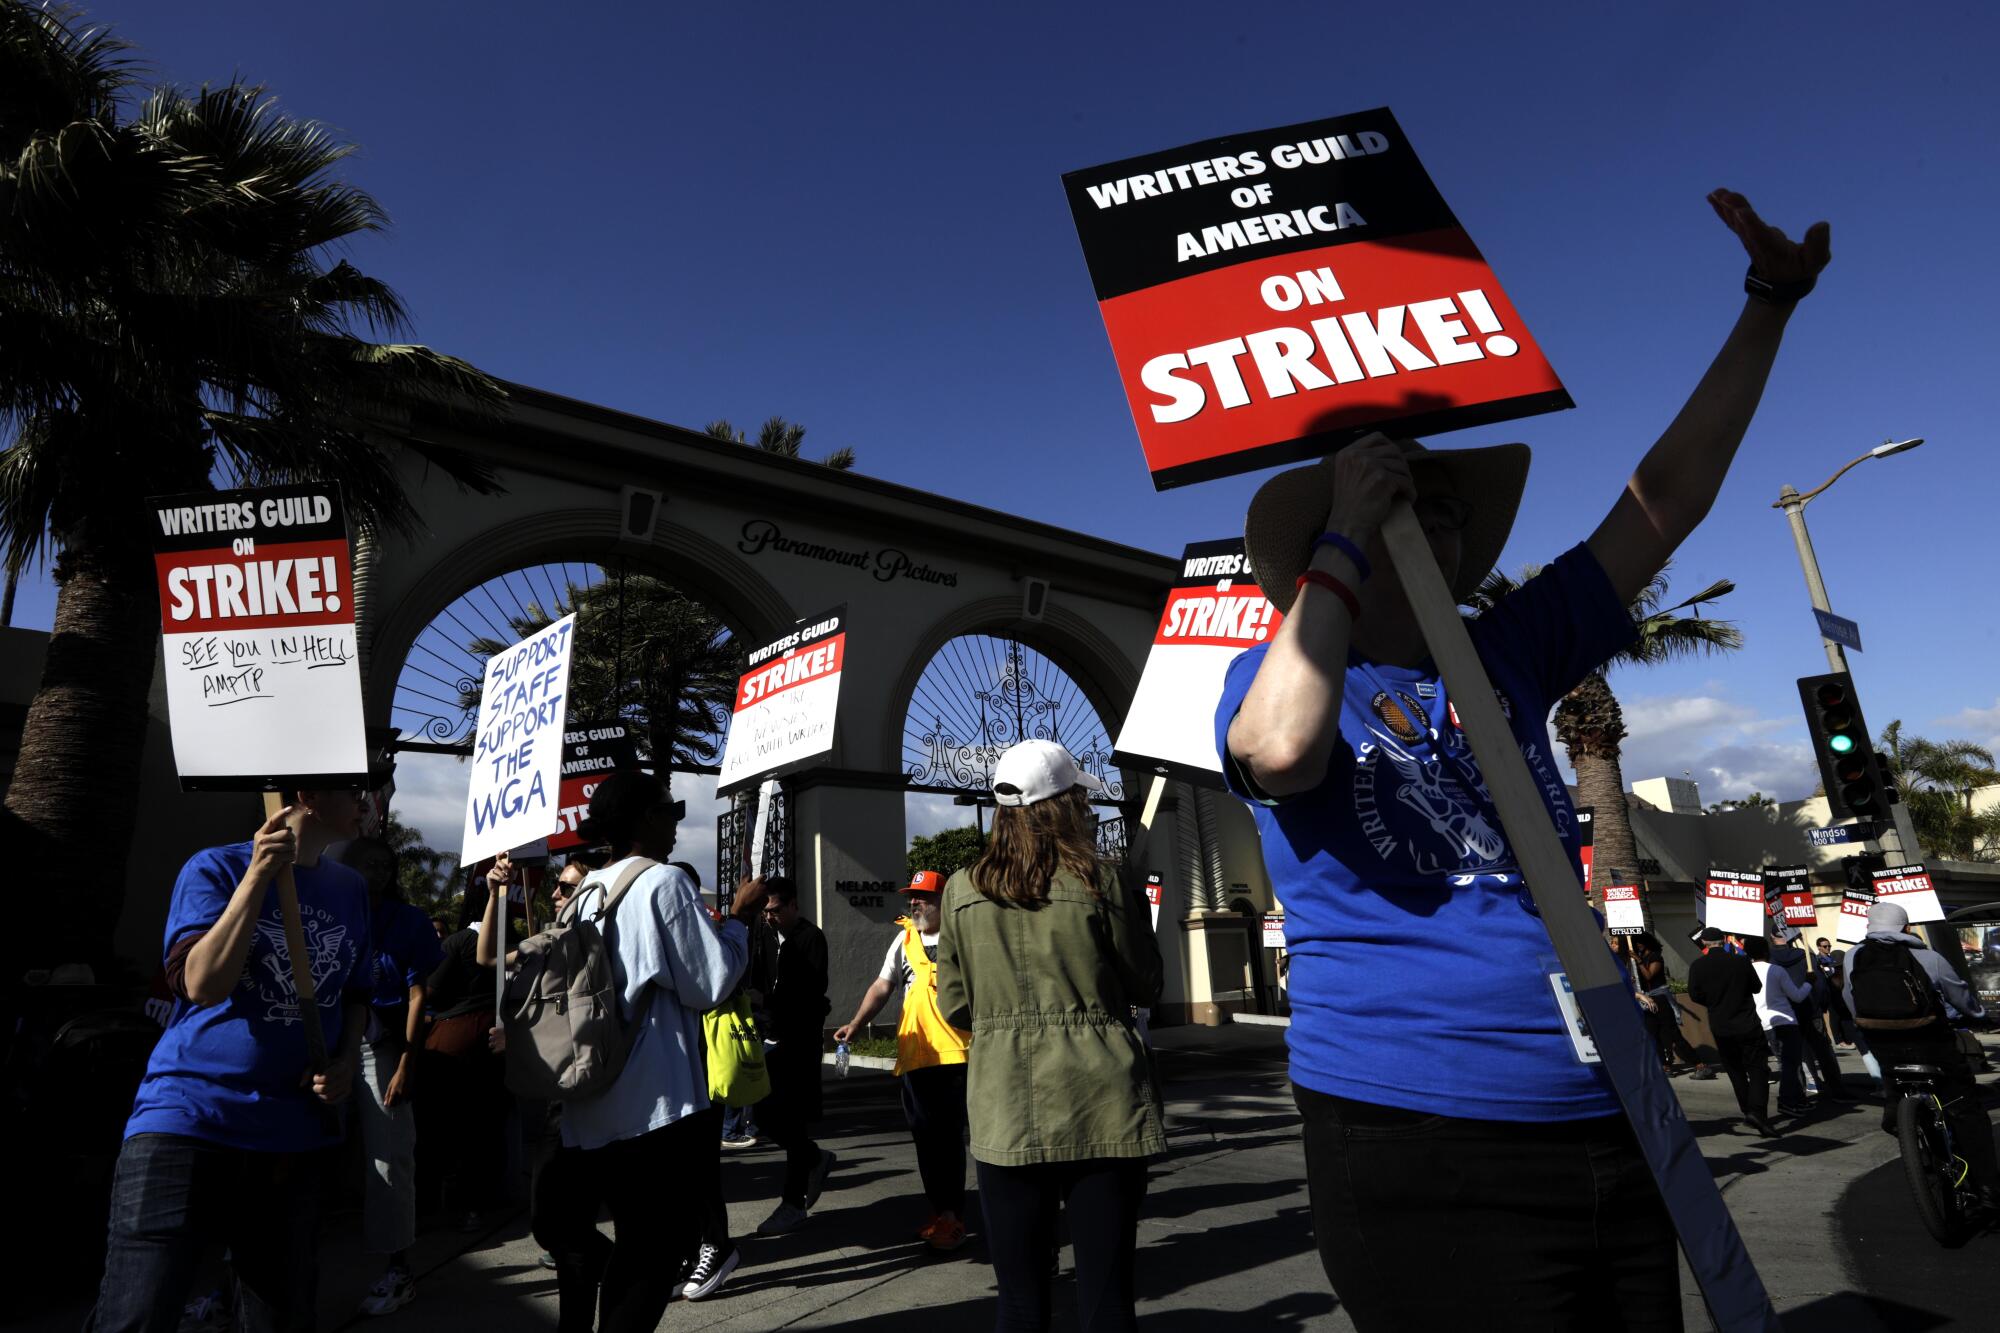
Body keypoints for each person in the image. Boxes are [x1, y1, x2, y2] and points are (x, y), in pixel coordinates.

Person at [1215, 191, 1827, 1328]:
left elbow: (1663, 499)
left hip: (1606, 1112)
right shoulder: (1276, 673)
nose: (1431, 521)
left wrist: (1766, 306)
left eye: (1442, 507)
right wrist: (1349, 526)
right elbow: (1284, 750)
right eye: (1406, 499)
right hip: (1416, 1140)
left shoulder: (1503, 651)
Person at [90, 791, 373, 1333]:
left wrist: (344, 1061)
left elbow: (357, 992)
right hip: (189, 1122)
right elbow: (201, 982)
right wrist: (258, 878)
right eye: (355, 792)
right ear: (309, 797)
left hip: (292, 1138)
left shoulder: (351, 889)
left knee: (280, 1317)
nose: (369, 804)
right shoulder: (214, 867)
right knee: (138, 1314)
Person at [936, 740, 1165, 1333]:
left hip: (1003, 1104)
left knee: (1018, 1299)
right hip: (1103, 1100)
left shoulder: (961, 891)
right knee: (1107, 1299)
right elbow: (1146, 982)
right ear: (1064, 805)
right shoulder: (1105, 881)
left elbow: (955, 1006)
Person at [547, 772, 761, 1332]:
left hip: (589, 1101)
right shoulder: (663, 882)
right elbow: (709, 982)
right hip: (655, 1105)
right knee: (651, 1254)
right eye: (670, 811)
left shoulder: (585, 891)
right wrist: (740, 920)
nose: (675, 823)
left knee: (632, 1246)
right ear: (645, 818)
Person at [834, 869, 975, 1250]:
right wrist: (856, 1022)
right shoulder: (904, 939)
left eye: (924, 896)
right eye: (912, 896)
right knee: (926, 1140)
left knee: (947, 1140)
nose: (915, 902)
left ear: (943, 900)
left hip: (954, 1053)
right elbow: (883, 985)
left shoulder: (961, 936)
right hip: (915, 1057)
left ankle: (952, 1218)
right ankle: (939, 1211)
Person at [336, 837, 446, 1317]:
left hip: (378, 1047)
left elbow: (419, 996)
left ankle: (397, 1268)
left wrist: (405, 1063)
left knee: (389, 1157)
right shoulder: (324, 910)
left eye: (385, 864)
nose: (378, 871)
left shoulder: (408, 921)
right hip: (321, 1044)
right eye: (367, 863)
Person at [1842, 901, 1999, 1211]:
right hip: (1932, 1046)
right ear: (1907, 928)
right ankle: (1988, 1188)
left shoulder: (1852, 957)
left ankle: (1895, 1108)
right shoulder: (1929, 957)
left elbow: (1850, 999)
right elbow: (1960, 997)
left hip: (1884, 1046)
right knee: (1966, 1110)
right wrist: (1979, 1015)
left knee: (1895, 1081)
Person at [420, 864, 509, 1230]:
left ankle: (439, 1200)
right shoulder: (511, 944)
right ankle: (478, 1200)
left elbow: (434, 991)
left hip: (454, 1040)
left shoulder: (458, 943)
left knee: (445, 1125)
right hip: (496, 1040)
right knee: (484, 1125)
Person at [748, 875, 838, 1235]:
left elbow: (811, 995)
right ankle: (814, 1157)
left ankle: (792, 1203)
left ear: (793, 905)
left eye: (775, 910)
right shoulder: (763, 937)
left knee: (792, 1116)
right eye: (765, 911)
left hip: (799, 1042)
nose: (769, 917)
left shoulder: (810, 938)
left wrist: (766, 1002)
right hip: (768, 1038)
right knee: (764, 1115)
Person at [1688, 929, 1777, 1138]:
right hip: (1747, 1023)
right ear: (1723, 941)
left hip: (1721, 1026)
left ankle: (1748, 1110)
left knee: (1735, 1070)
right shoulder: (1740, 961)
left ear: (1704, 942)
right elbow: (1756, 987)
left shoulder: (1698, 966)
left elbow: (1694, 994)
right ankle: (1757, 1113)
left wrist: (1714, 1003)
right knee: (1757, 1069)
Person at [1774, 928, 1850, 1101]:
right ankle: (1837, 1090)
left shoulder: (1770, 959)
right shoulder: (1805, 957)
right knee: (1824, 1052)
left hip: (1786, 1013)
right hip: (1810, 1010)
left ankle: (1801, 1093)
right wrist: (1821, 1004)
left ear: (1772, 938)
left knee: (1795, 1055)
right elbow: (1820, 984)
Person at [1744, 936, 1813, 1117]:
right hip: (1785, 1021)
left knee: (1787, 1064)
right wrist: (1809, 983)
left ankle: (1797, 1100)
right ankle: (1787, 1101)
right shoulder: (1776, 970)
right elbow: (1797, 996)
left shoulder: (1745, 972)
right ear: (1766, 951)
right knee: (1791, 1064)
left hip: (1763, 1024)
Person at [1628, 934, 1699, 1074]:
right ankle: (1665, 1065)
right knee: (1653, 1034)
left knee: (1673, 1033)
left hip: (1660, 998)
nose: (1637, 946)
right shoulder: (1638, 961)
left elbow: (1649, 976)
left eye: (1639, 943)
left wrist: (1639, 961)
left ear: (1646, 943)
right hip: (1647, 1000)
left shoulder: (1655, 957)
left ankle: (1698, 1063)